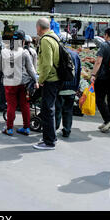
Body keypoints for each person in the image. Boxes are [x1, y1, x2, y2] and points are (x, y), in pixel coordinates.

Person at [1, 30, 39, 136]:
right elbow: (31, 69)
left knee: (11, 106)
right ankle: (26, 127)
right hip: (23, 83)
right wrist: (36, 81)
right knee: (24, 105)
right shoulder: (24, 52)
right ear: (23, 41)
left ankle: (9, 129)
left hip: (9, 83)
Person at [33, 18, 62, 150]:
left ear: (39, 27)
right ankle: (51, 138)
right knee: (50, 109)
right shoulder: (55, 37)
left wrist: (41, 80)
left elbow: (47, 64)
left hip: (50, 79)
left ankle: (49, 142)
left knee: (47, 110)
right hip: (56, 79)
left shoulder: (45, 40)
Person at [55, 48, 81, 138]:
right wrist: (76, 86)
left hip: (61, 86)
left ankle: (54, 128)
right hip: (72, 87)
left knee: (57, 109)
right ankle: (67, 130)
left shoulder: (58, 54)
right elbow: (79, 71)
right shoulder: (75, 55)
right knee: (68, 110)